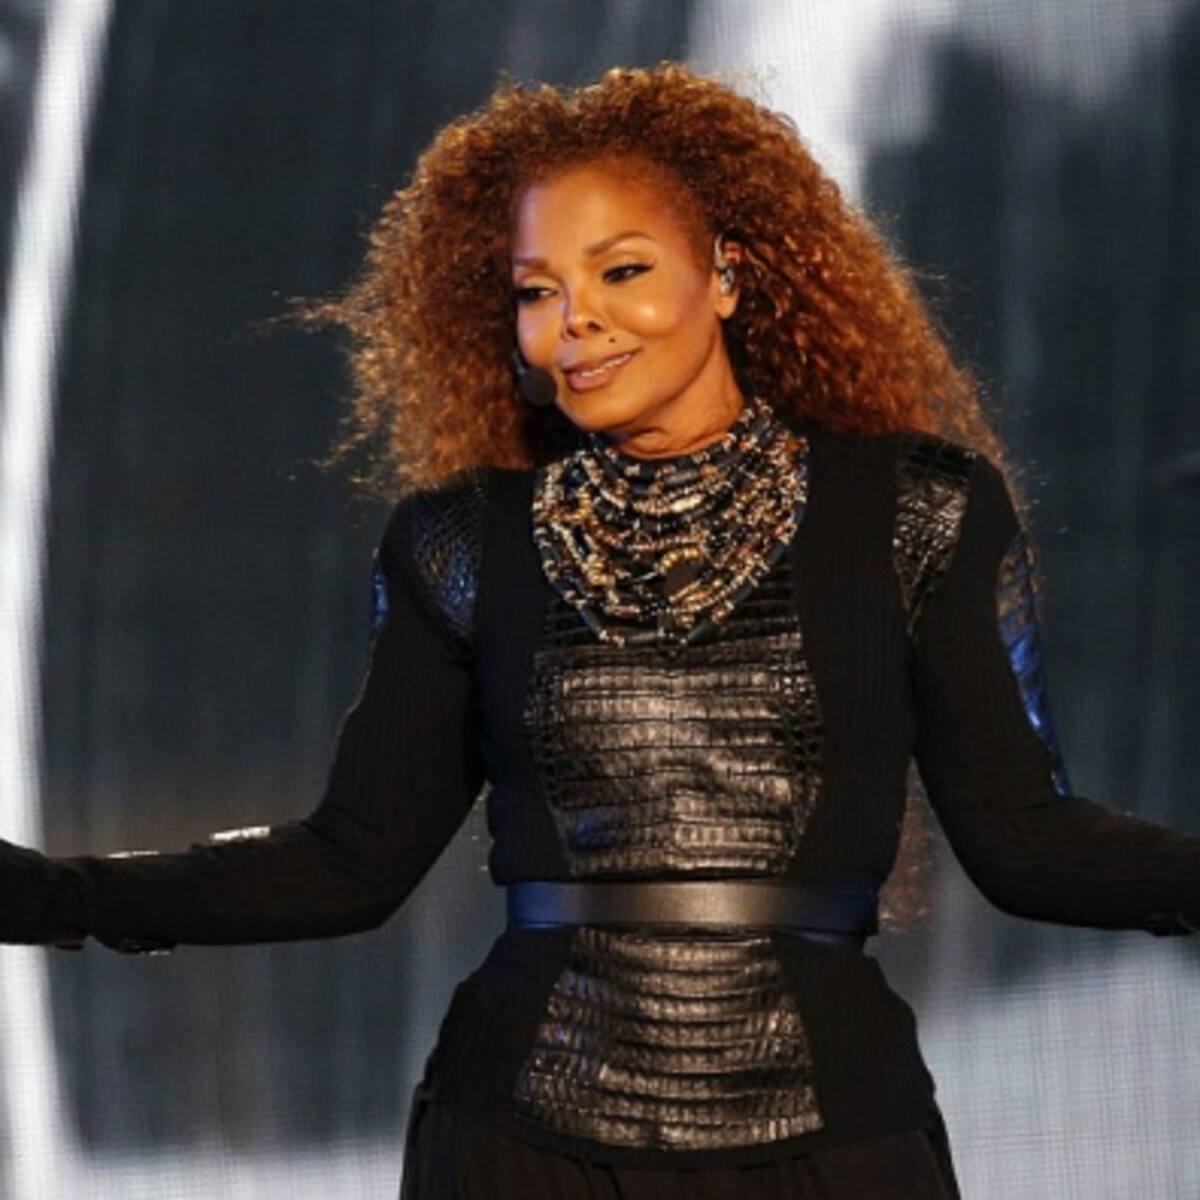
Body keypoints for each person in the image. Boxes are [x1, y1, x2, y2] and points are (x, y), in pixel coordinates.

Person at [3, 62, 1198, 1198]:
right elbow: (352, 861)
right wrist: (54, 896)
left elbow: (1027, 842)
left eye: (622, 270)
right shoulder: (462, 544)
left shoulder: (916, 513)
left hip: (832, 1139)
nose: (575, 322)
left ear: (726, 275)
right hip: (519, 1145)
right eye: (538, 292)